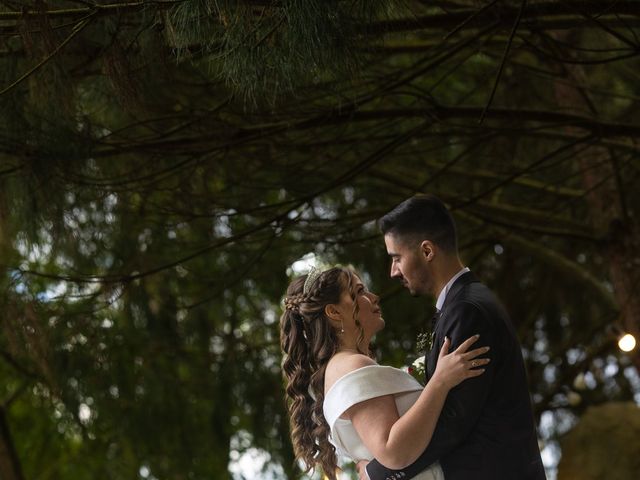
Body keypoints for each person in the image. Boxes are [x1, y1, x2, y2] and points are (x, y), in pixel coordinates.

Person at [361, 194, 546, 480]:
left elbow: (456, 419)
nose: (393, 271)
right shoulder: (463, 305)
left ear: (426, 251)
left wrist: (379, 473)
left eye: (397, 258)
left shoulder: (467, 310)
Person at [280, 266, 491, 480]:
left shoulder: (340, 369)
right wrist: (440, 382)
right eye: (360, 291)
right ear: (334, 312)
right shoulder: (352, 366)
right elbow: (392, 451)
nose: (374, 297)